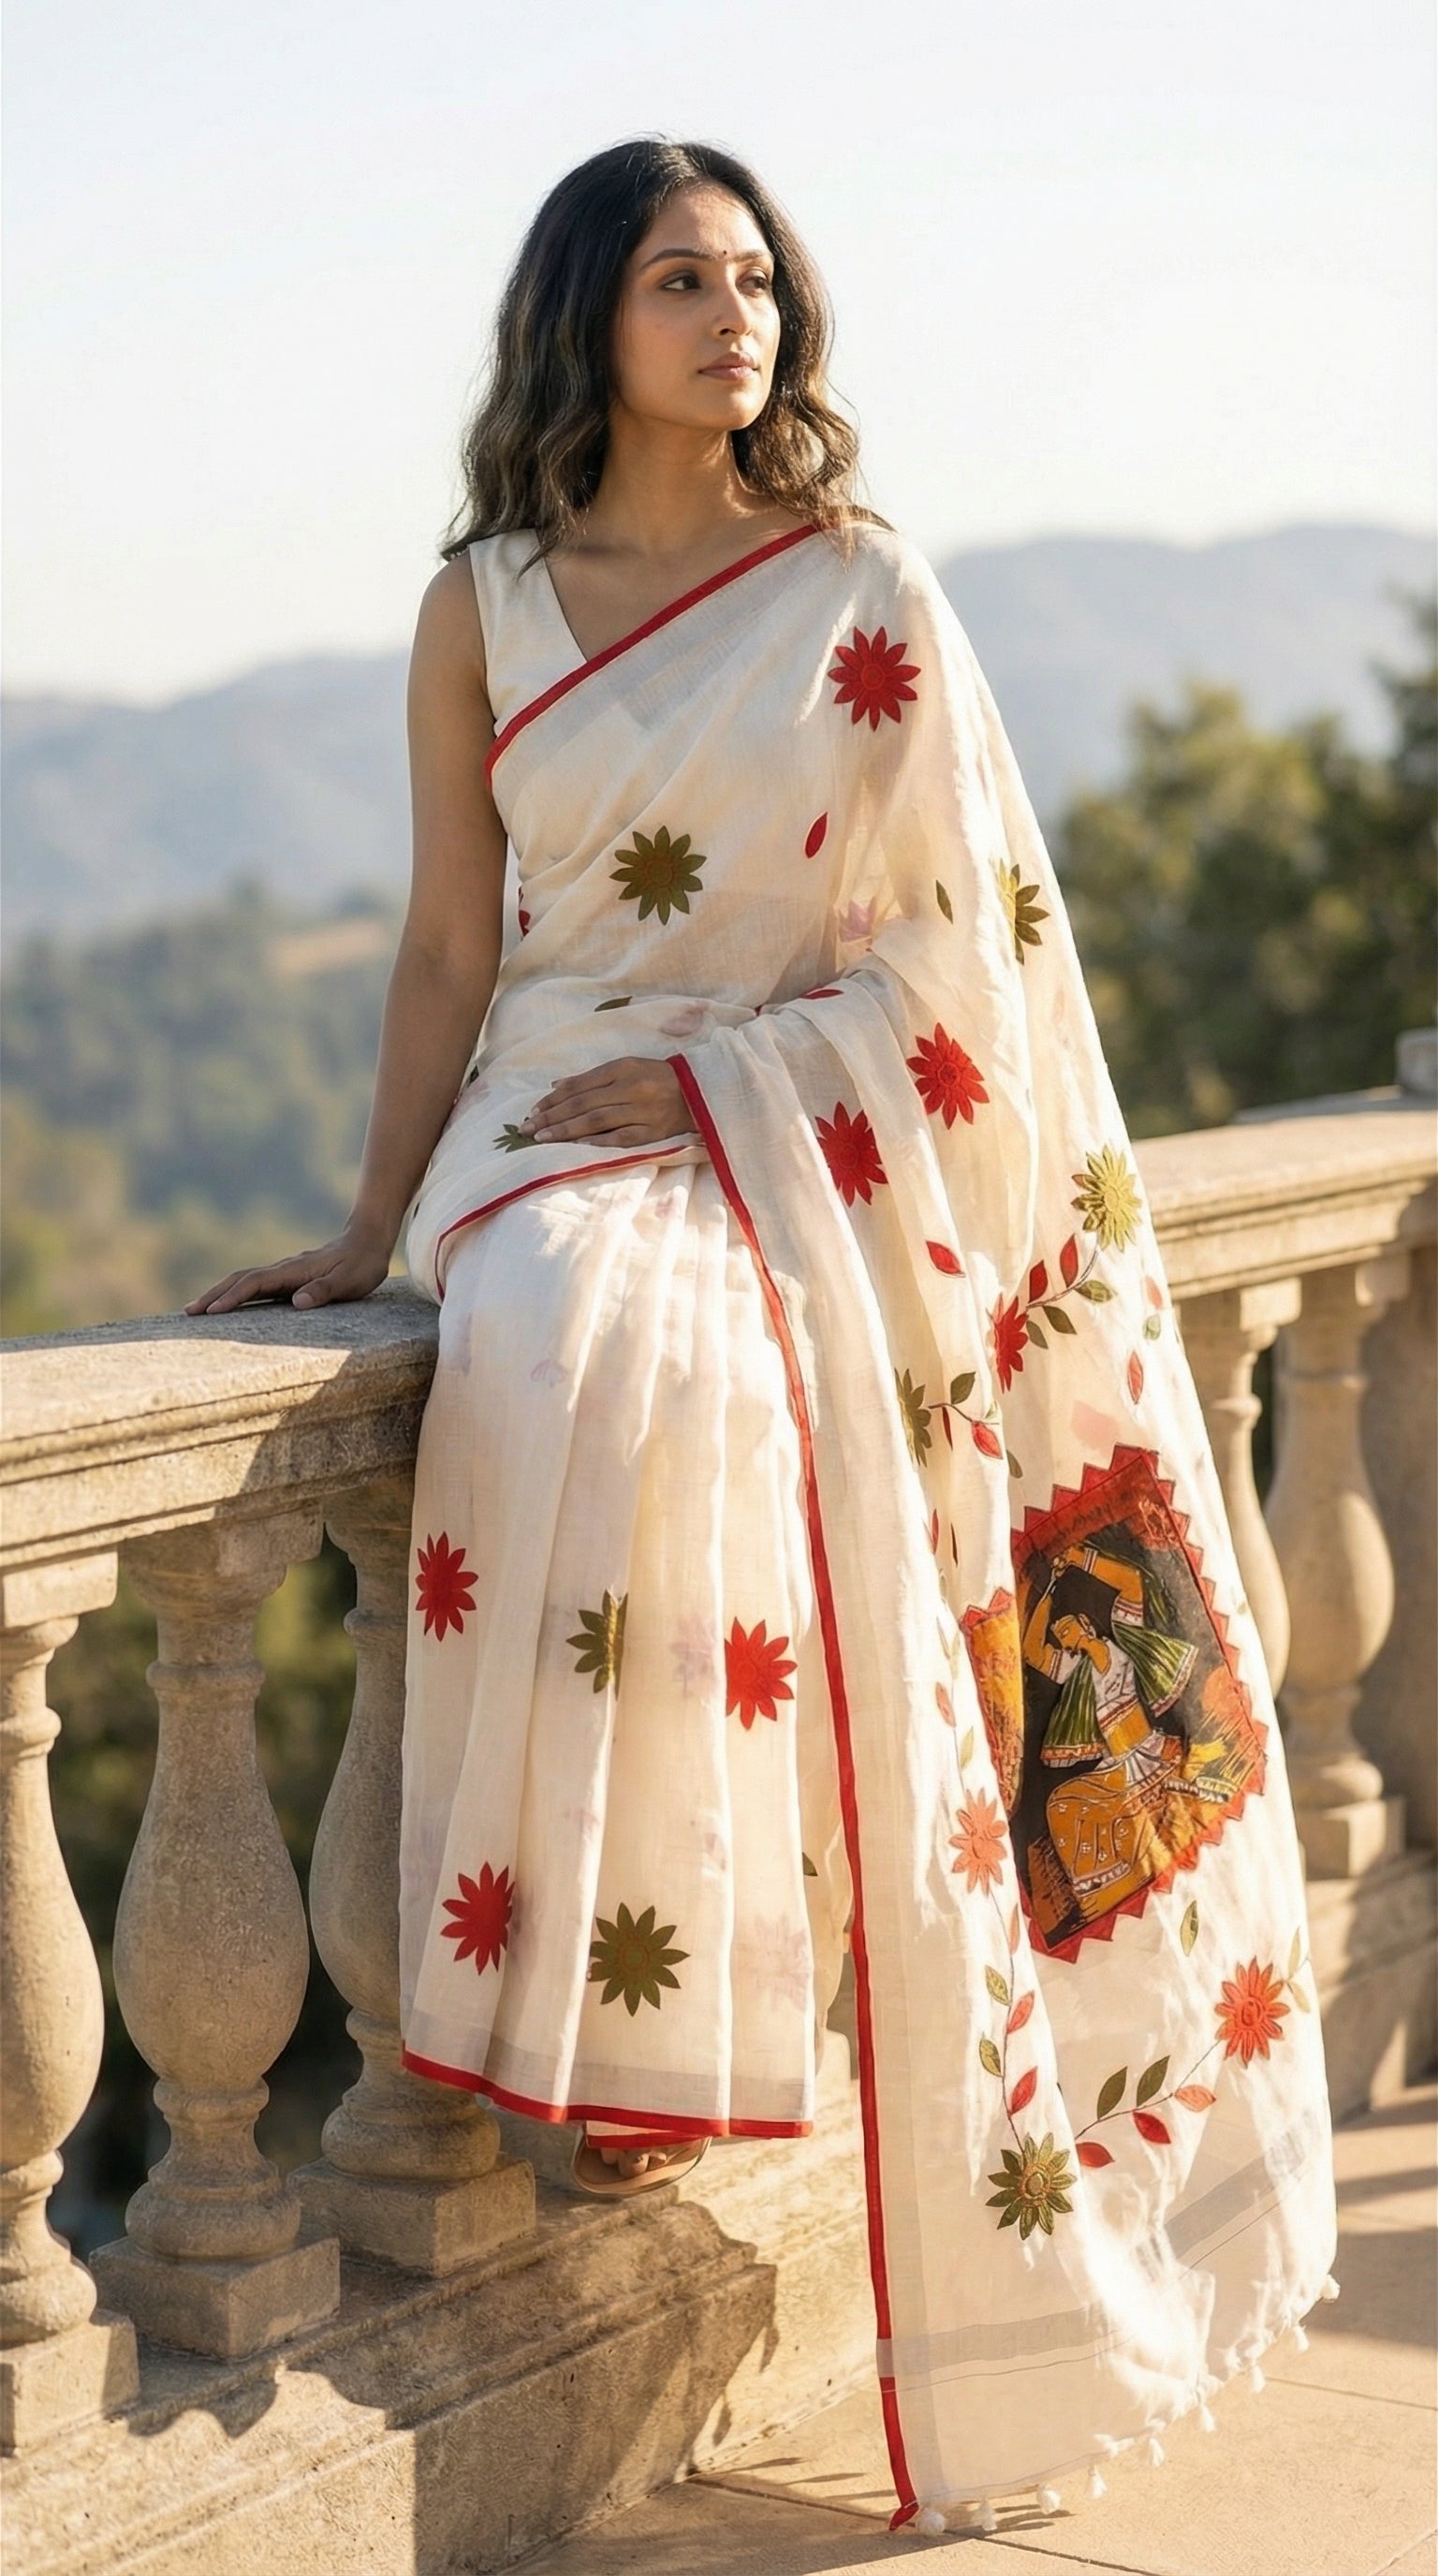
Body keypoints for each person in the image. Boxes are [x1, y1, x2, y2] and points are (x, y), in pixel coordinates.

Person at [188, 138, 1338, 2536]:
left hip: (776, 1105)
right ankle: (581, 2017)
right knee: (560, 1316)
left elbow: (963, 960)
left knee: (722, 1362)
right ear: (584, 321)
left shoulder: (859, 592)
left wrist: (735, 1078)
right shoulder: (483, 603)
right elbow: (439, 948)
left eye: (761, 283)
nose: (741, 323)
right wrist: (367, 1219)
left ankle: (695, 2017)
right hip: (543, 1110)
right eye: (684, 284)